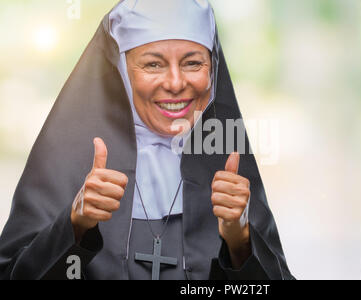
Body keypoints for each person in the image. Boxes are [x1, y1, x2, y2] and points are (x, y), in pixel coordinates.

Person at [0, 0, 294, 280]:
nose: (176, 83)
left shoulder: (228, 167)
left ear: (213, 70)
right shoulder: (64, 162)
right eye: (153, 65)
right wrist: (74, 225)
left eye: (193, 63)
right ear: (121, 72)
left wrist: (240, 240)